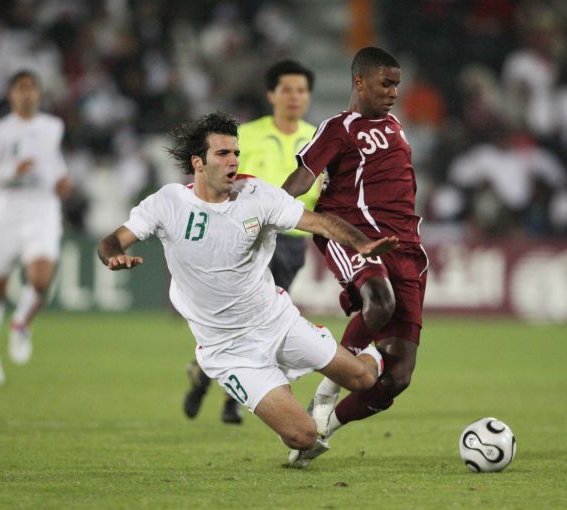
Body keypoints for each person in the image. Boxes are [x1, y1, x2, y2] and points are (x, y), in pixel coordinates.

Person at [97, 112, 398, 466]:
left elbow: (319, 222)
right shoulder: (168, 203)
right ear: (198, 163)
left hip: (276, 322)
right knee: (304, 437)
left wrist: (361, 243)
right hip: (228, 350)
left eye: (236, 153)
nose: (234, 161)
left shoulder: (257, 194)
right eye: (223, 153)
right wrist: (114, 256)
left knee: (364, 379)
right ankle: (284, 404)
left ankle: (346, 373)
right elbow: (112, 241)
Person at [281, 47, 428, 467]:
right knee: (379, 301)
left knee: (397, 376)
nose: (394, 92)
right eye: (386, 83)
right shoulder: (339, 127)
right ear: (359, 82)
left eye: (397, 85)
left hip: (406, 247)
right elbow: (304, 177)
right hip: (354, 233)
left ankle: (322, 427)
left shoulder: (396, 126)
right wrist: (267, 207)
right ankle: (328, 389)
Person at [182, 60, 320, 424]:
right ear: (271, 94)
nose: (294, 97)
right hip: (245, 237)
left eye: (301, 90)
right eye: (287, 90)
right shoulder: (246, 136)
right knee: (237, 318)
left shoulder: (318, 140)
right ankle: (212, 382)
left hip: (290, 241)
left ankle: (218, 385)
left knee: (264, 321)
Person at [0, 70, 70, 385]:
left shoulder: (53, 126)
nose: (27, 93)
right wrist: (12, 170)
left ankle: (21, 323)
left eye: (32, 88)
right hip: (7, 210)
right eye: (21, 88)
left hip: (42, 208)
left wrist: (61, 178)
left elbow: (52, 161)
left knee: (41, 279)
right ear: (11, 94)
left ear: (39, 93)